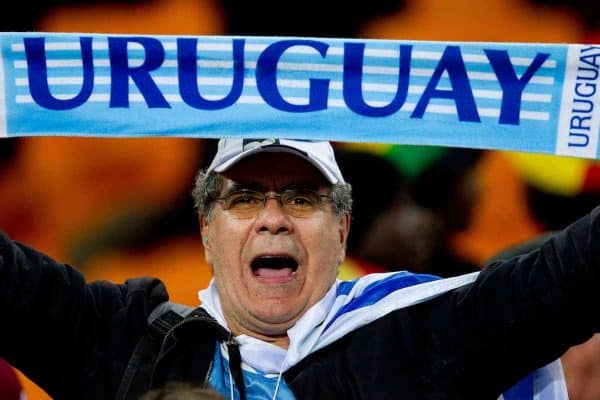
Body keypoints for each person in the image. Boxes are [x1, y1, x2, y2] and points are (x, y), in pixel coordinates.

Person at [1, 137, 599, 399]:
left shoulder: (416, 333)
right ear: (206, 231)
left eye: (301, 198)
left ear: (341, 230)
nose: (273, 218)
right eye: (242, 199)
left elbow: (572, 274)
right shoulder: (132, 341)